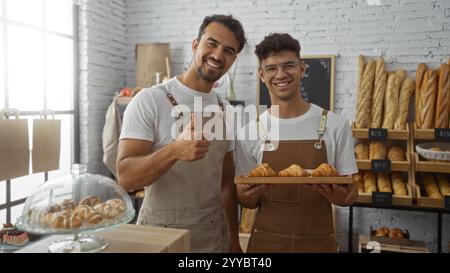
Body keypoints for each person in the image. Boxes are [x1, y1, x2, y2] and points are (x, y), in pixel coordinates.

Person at [116, 14, 247, 253]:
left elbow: (226, 182)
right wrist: (174, 150)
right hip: (161, 236)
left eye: (229, 51)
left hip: (213, 236)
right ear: (196, 45)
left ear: (233, 59)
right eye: (212, 43)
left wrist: (233, 239)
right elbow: (125, 177)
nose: (218, 55)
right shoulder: (149, 100)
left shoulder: (225, 109)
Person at [235, 33, 358, 253]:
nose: (280, 74)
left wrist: (340, 195)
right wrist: (244, 196)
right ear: (261, 75)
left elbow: (351, 195)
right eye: (271, 68)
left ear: (302, 69)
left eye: (288, 66)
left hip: (318, 245)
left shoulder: (336, 125)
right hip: (266, 247)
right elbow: (248, 200)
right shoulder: (248, 132)